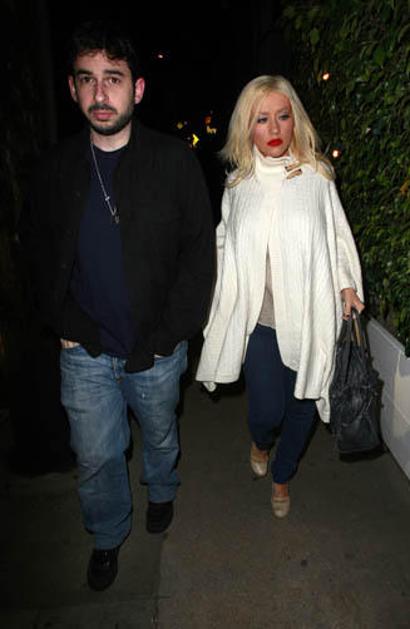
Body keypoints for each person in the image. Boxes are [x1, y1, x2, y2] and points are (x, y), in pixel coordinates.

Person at [19, 20, 214, 591]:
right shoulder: (54, 169)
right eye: (88, 79)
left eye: (114, 78)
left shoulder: (174, 162)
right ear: (72, 88)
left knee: (159, 435)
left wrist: (170, 333)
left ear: (138, 88)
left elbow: (198, 255)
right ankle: (106, 535)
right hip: (84, 349)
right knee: (97, 456)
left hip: (157, 346)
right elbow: (34, 252)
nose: (100, 93)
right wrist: (62, 320)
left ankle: (162, 488)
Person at [196, 75, 364, 519]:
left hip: (310, 314)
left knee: (304, 402)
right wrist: (214, 297)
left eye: (283, 116)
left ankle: (283, 475)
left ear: (296, 120)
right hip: (261, 321)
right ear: (246, 127)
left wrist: (347, 284)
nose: (274, 128)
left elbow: (336, 236)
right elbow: (223, 243)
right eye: (262, 119)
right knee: (267, 411)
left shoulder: (317, 177)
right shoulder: (238, 185)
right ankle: (260, 441)